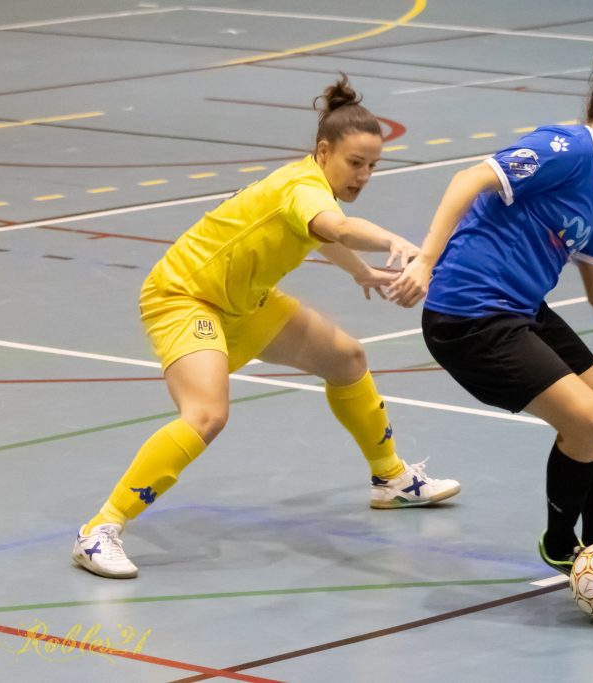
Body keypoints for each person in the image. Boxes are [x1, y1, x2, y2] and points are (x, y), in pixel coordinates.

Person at [73, 75, 460, 579]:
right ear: (324, 152)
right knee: (206, 415)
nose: (364, 175)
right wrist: (396, 244)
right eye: (355, 163)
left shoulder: (308, 187)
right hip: (185, 299)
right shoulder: (302, 188)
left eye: (372, 166)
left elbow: (319, 232)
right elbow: (335, 227)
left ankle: (390, 479)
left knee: (346, 358)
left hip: (244, 303)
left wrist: (359, 271)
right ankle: (99, 530)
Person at [388, 49, 593, 580]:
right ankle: (559, 544)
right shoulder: (567, 147)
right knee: (586, 419)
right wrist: (426, 260)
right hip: (469, 314)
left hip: (519, 307)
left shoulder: (591, 200)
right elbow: (468, 179)